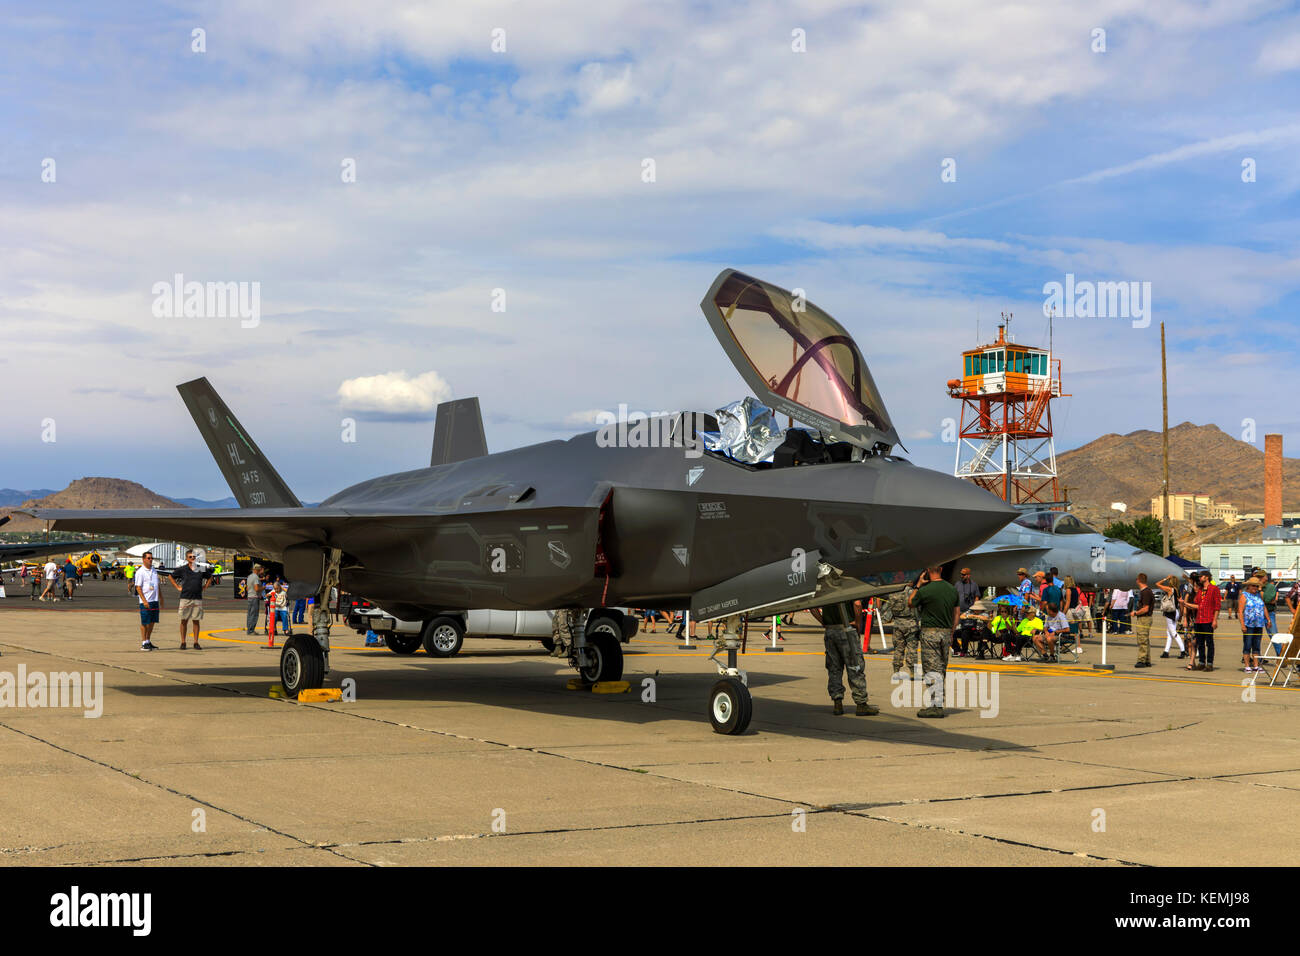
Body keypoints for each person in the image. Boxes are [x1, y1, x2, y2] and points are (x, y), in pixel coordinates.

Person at [809, 601, 878, 716]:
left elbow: (812, 605)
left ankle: (837, 703)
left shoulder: (825, 587)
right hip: (846, 629)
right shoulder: (847, 584)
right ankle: (861, 704)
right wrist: (858, 622)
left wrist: (823, 621)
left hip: (830, 631)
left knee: (834, 668)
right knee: (855, 667)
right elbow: (857, 604)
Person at [908, 566, 959, 718]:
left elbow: (911, 603)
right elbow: (957, 613)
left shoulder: (925, 590)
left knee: (932, 670)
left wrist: (918, 585)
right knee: (941, 669)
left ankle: (935, 706)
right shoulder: (952, 589)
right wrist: (951, 631)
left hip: (930, 633)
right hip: (945, 633)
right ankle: (938, 703)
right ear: (942, 569)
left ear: (928, 571)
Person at [169, 548, 213, 649]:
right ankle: (183, 642)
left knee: (196, 620)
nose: (192, 558)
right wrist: (177, 587)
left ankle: (196, 642)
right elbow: (171, 576)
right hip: (185, 598)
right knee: (184, 620)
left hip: (197, 598)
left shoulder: (200, 568)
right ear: (186, 558)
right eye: (190, 557)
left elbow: (210, 576)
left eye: (194, 557)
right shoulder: (182, 569)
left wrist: (205, 587)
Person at [1183, 571, 1221, 672]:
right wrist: (1185, 604)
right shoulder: (1200, 590)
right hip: (1199, 620)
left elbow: (1217, 606)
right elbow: (1198, 605)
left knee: (1209, 642)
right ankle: (1201, 662)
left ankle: (1209, 663)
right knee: (1200, 643)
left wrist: (1215, 620)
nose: (1200, 578)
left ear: (1207, 577)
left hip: (1208, 619)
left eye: (1201, 576)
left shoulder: (1214, 589)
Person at [881, 580, 920, 677]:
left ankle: (896, 670)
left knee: (898, 648)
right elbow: (919, 608)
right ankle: (913, 672)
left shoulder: (894, 593)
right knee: (912, 649)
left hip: (898, 623)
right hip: (911, 624)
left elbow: (886, 608)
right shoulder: (913, 592)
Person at [1239, 576, 1267, 674]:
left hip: (1259, 624)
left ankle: (1256, 665)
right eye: (1253, 586)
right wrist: (1242, 624)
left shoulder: (1259, 595)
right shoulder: (1244, 595)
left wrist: (1268, 619)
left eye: (1257, 586)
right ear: (1249, 586)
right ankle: (1247, 665)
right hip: (1248, 624)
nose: (1255, 588)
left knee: (1257, 645)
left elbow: (1264, 607)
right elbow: (1240, 611)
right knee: (1247, 644)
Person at [135, 551, 162, 651]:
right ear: (143, 559)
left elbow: (157, 585)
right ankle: (143, 642)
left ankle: (148, 641)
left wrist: (161, 597)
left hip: (154, 600)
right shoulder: (140, 572)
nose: (151, 560)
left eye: (151, 558)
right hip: (146, 601)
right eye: (149, 558)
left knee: (152, 621)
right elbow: (138, 587)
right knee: (145, 622)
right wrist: (144, 601)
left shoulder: (154, 570)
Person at [1154, 574, 1185, 659]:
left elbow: (1157, 584)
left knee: (1173, 632)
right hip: (1176, 612)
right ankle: (1166, 651)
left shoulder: (1169, 589)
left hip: (1170, 612)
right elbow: (1181, 603)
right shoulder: (1177, 590)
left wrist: (1165, 578)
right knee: (1169, 633)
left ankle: (1183, 650)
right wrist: (1181, 615)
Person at [1130, 573, 1155, 667]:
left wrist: (1135, 613)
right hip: (1145, 618)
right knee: (1145, 639)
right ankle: (1147, 659)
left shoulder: (1145, 592)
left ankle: (1141, 660)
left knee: (1142, 640)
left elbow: (1146, 608)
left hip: (1144, 618)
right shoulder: (1147, 591)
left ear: (1138, 580)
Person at [245, 564, 263, 635]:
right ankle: (251, 630)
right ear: (258, 570)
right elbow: (256, 589)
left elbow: (247, 588)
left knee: (249, 614)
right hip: (254, 597)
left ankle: (249, 629)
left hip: (249, 596)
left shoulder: (249, 576)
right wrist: (264, 587)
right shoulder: (256, 577)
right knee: (254, 614)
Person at [1260, 572, 1279, 636]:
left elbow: (1267, 599)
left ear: (1266, 578)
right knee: (1255, 637)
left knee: (1273, 634)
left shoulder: (1270, 587)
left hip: (1269, 612)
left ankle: (1279, 646)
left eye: (1261, 577)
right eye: (1258, 577)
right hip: (1257, 614)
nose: (1260, 579)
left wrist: (1260, 591)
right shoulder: (1253, 586)